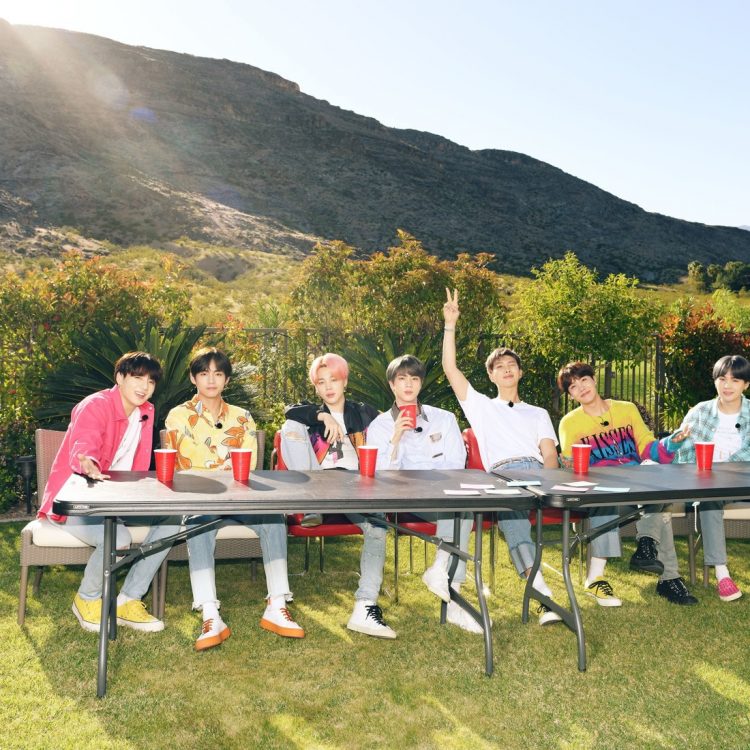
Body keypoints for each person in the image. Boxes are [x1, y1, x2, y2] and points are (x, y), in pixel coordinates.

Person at [165, 347, 304, 650]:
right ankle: (209, 612)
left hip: (240, 497)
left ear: (226, 380)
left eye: (218, 373)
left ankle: (277, 604)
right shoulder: (178, 416)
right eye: (204, 373)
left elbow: (248, 463)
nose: (211, 380)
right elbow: (184, 461)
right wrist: (223, 464)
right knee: (198, 525)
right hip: (200, 498)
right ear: (193, 378)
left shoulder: (243, 417)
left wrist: (216, 465)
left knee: (273, 519)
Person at [441, 289, 563, 625]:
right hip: (503, 476)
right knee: (514, 512)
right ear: (491, 376)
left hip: (539, 474)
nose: (507, 369)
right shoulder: (481, 407)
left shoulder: (538, 412)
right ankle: (542, 593)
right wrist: (450, 325)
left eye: (512, 365)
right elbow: (450, 368)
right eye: (499, 366)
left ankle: (550, 588)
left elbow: (549, 454)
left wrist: (549, 484)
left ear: (520, 373)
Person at [39, 352, 179, 633]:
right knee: (119, 538)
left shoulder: (145, 412)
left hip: (120, 502)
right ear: (120, 378)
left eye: (151, 381)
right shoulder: (95, 405)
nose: (145, 386)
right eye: (137, 378)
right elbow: (84, 443)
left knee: (173, 521)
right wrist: (87, 462)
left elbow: (137, 465)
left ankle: (128, 599)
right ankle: (87, 598)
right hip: (78, 503)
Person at [557, 361, 697, 606]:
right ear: (571, 396)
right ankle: (657, 568)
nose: (581, 387)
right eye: (573, 386)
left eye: (584, 380)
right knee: (652, 509)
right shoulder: (570, 423)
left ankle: (644, 551)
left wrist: (672, 442)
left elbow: (647, 448)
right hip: (604, 492)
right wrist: (567, 464)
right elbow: (574, 467)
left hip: (638, 487)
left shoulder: (626, 409)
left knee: (659, 488)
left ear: (594, 379)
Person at [281, 353, 396, 638]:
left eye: (333, 379)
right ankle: (311, 501)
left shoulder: (364, 412)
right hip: (320, 483)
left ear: (344, 381)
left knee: (377, 527)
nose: (328, 386)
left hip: (356, 486)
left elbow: (387, 433)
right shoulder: (309, 415)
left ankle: (365, 604)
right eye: (321, 382)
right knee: (290, 427)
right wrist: (322, 416)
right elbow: (289, 410)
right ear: (316, 387)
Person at [365, 354, 481, 634]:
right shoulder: (380, 425)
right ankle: (447, 585)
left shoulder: (444, 418)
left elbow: (456, 463)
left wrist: (434, 485)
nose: (408, 384)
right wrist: (395, 439)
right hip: (403, 500)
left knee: (461, 510)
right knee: (458, 512)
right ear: (392, 385)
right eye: (402, 379)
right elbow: (380, 476)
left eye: (414, 379)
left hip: (441, 494)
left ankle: (445, 579)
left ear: (421, 384)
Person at [673, 354, 750, 602]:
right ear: (715, 381)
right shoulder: (700, 412)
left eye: (735, 380)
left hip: (744, 483)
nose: (727, 385)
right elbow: (681, 454)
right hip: (708, 483)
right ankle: (722, 573)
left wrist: (728, 467)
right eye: (722, 379)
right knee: (710, 497)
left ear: (746, 384)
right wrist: (679, 442)